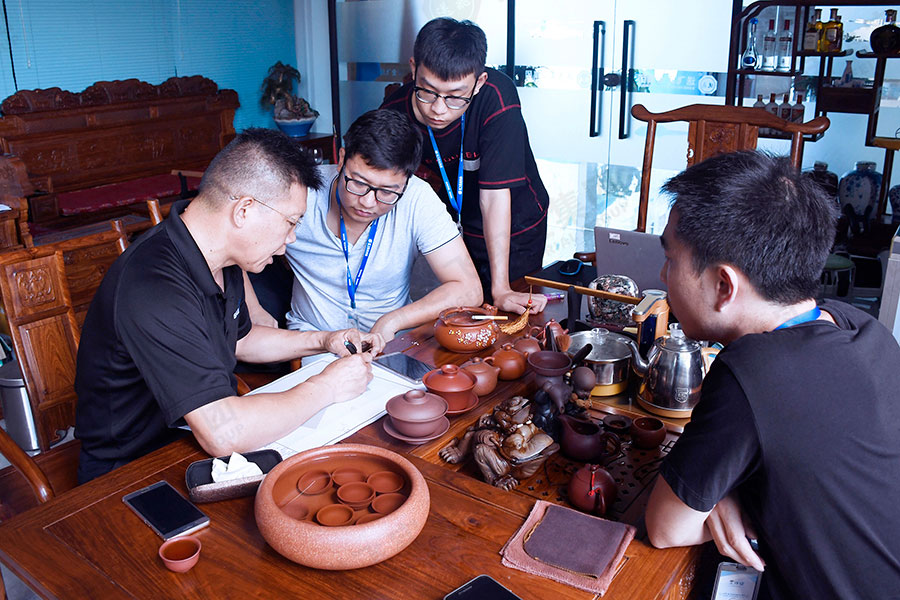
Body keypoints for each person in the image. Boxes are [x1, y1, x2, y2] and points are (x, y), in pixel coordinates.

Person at [644, 150, 900, 599]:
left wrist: (715, 496)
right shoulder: (864, 329)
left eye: (671, 259)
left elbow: (666, 527)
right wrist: (724, 494)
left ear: (724, 286)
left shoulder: (752, 373)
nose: (664, 274)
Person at [74, 128, 385, 483]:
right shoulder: (153, 285)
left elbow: (241, 340)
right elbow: (223, 433)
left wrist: (324, 340)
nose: (292, 238)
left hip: (190, 443)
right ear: (244, 210)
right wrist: (327, 386)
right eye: (290, 222)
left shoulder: (222, 257)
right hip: (130, 471)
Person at [382, 17, 549, 315]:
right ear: (413, 69)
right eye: (428, 91)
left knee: (508, 316)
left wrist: (501, 288)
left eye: (456, 97)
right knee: (459, 319)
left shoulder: (497, 97)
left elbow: (495, 197)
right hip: (451, 232)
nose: (438, 109)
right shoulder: (393, 114)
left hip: (513, 228)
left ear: (479, 82)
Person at [283, 109, 482, 341]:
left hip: (391, 339)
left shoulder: (417, 197)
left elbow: (469, 289)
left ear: (407, 181)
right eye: (359, 183)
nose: (368, 203)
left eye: (387, 192)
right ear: (341, 159)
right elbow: (242, 235)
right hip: (313, 340)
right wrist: (255, 310)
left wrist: (393, 321)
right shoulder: (301, 191)